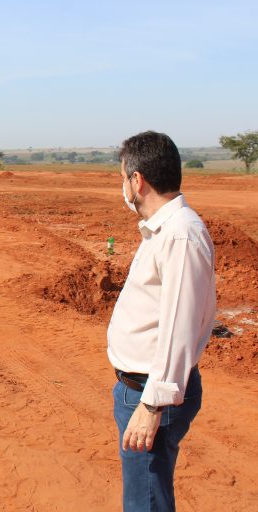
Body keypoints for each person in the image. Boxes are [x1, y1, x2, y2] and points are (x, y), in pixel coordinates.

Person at [108, 131, 216, 511]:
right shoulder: (163, 230)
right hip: (139, 388)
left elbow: (179, 328)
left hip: (151, 393)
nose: (123, 187)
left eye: (123, 178)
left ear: (137, 180)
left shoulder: (180, 235)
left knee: (146, 502)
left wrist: (152, 407)